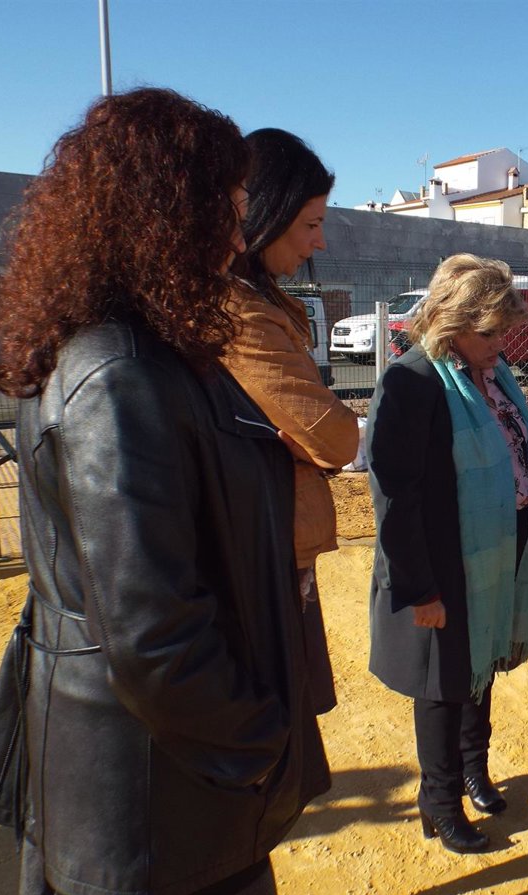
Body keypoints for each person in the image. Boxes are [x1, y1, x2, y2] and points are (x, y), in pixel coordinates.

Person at [0, 88, 330, 895]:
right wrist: (258, 742)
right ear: (165, 216)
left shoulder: (148, 351)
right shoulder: (117, 372)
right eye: (227, 213)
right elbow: (155, 635)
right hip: (154, 800)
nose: (238, 238)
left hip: (167, 782)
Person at [367, 254, 528, 854]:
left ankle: (473, 770)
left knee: (480, 664)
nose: (501, 342)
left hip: (495, 550)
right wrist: (420, 588)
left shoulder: (493, 372)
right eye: (490, 331)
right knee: (441, 682)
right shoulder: (414, 381)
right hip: (442, 563)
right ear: (451, 322)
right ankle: (439, 800)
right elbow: (394, 497)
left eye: (504, 329)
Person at [224, 127, 359, 714]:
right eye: (310, 224)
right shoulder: (241, 317)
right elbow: (337, 437)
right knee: (280, 729)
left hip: (274, 542)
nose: (319, 242)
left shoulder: (263, 306)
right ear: (266, 217)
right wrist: (309, 442)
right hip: (262, 556)